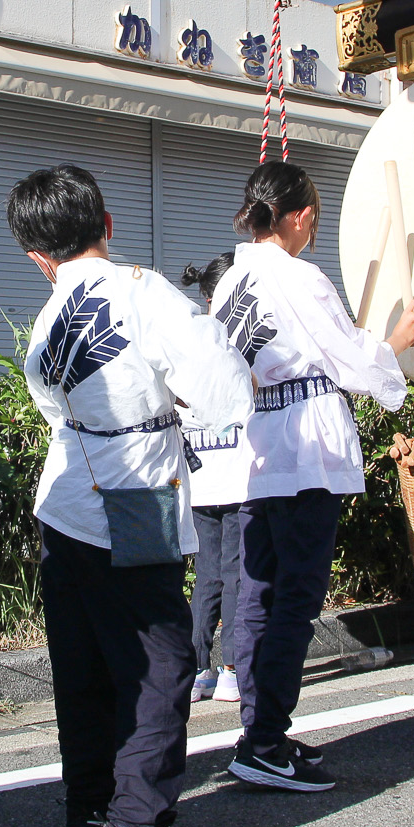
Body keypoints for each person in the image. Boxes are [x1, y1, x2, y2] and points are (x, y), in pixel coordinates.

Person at [8, 165, 249, 827]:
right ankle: (138, 826)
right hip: (136, 491)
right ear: (107, 224)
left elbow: (55, 408)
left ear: (36, 257)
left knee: (82, 664)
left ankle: (88, 810)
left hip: (64, 496)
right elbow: (223, 387)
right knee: (163, 660)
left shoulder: (50, 318)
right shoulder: (143, 291)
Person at [212, 161, 414, 793]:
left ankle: (261, 731)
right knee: (294, 600)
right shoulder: (299, 276)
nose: (314, 228)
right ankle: (265, 742)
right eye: (316, 216)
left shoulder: (230, 282)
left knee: (259, 596)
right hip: (306, 449)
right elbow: (351, 362)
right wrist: (394, 341)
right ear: (300, 216)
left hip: (261, 448)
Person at [180, 253, 246, 704]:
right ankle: (232, 669)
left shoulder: (185, 340)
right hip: (240, 480)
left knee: (207, 577)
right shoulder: (237, 342)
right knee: (237, 575)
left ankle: (198, 669)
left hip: (199, 483)